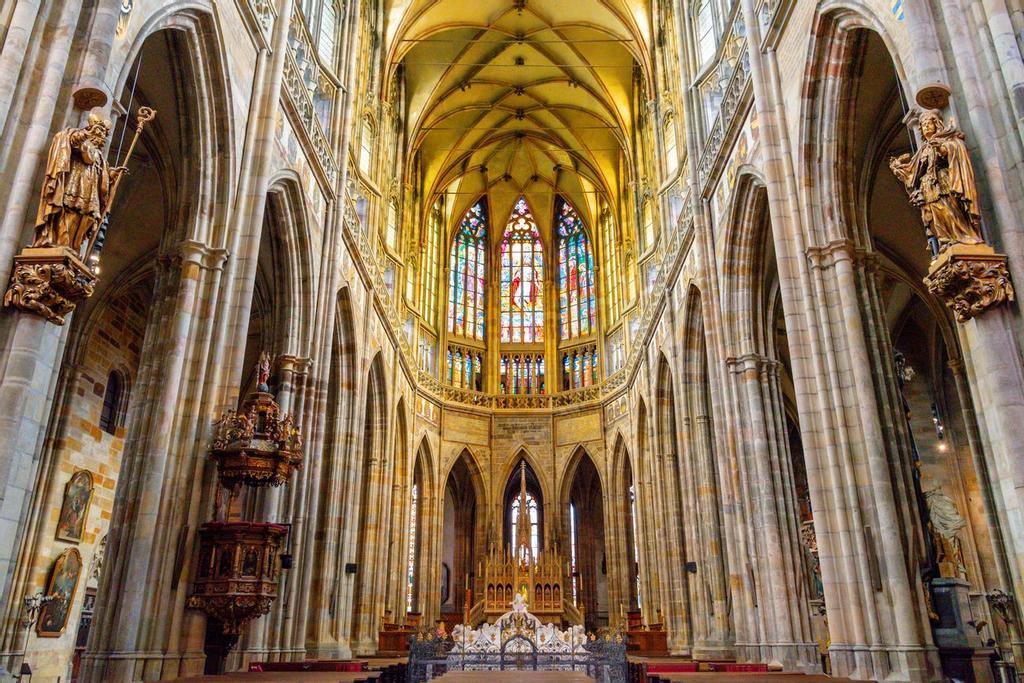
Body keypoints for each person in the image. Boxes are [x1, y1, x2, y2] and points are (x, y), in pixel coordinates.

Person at [889, 110, 985, 253]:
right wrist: (898, 168)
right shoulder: (923, 150)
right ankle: (945, 241)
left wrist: (941, 148)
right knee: (936, 216)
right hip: (929, 189)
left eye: (929, 124)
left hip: (944, 182)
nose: (926, 127)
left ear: (936, 124)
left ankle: (962, 237)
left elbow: (955, 149)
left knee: (949, 211)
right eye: (923, 125)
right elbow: (913, 171)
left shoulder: (946, 140)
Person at [33, 113, 128, 257]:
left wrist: (113, 174)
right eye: (98, 130)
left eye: (104, 133)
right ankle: (61, 243)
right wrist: (85, 134)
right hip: (76, 184)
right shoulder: (81, 141)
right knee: (71, 212)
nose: (101, 135)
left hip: (91, 192)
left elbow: (103, 174)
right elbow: (72, 142)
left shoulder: (100, 156)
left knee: (87, 218)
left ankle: (74, 247)